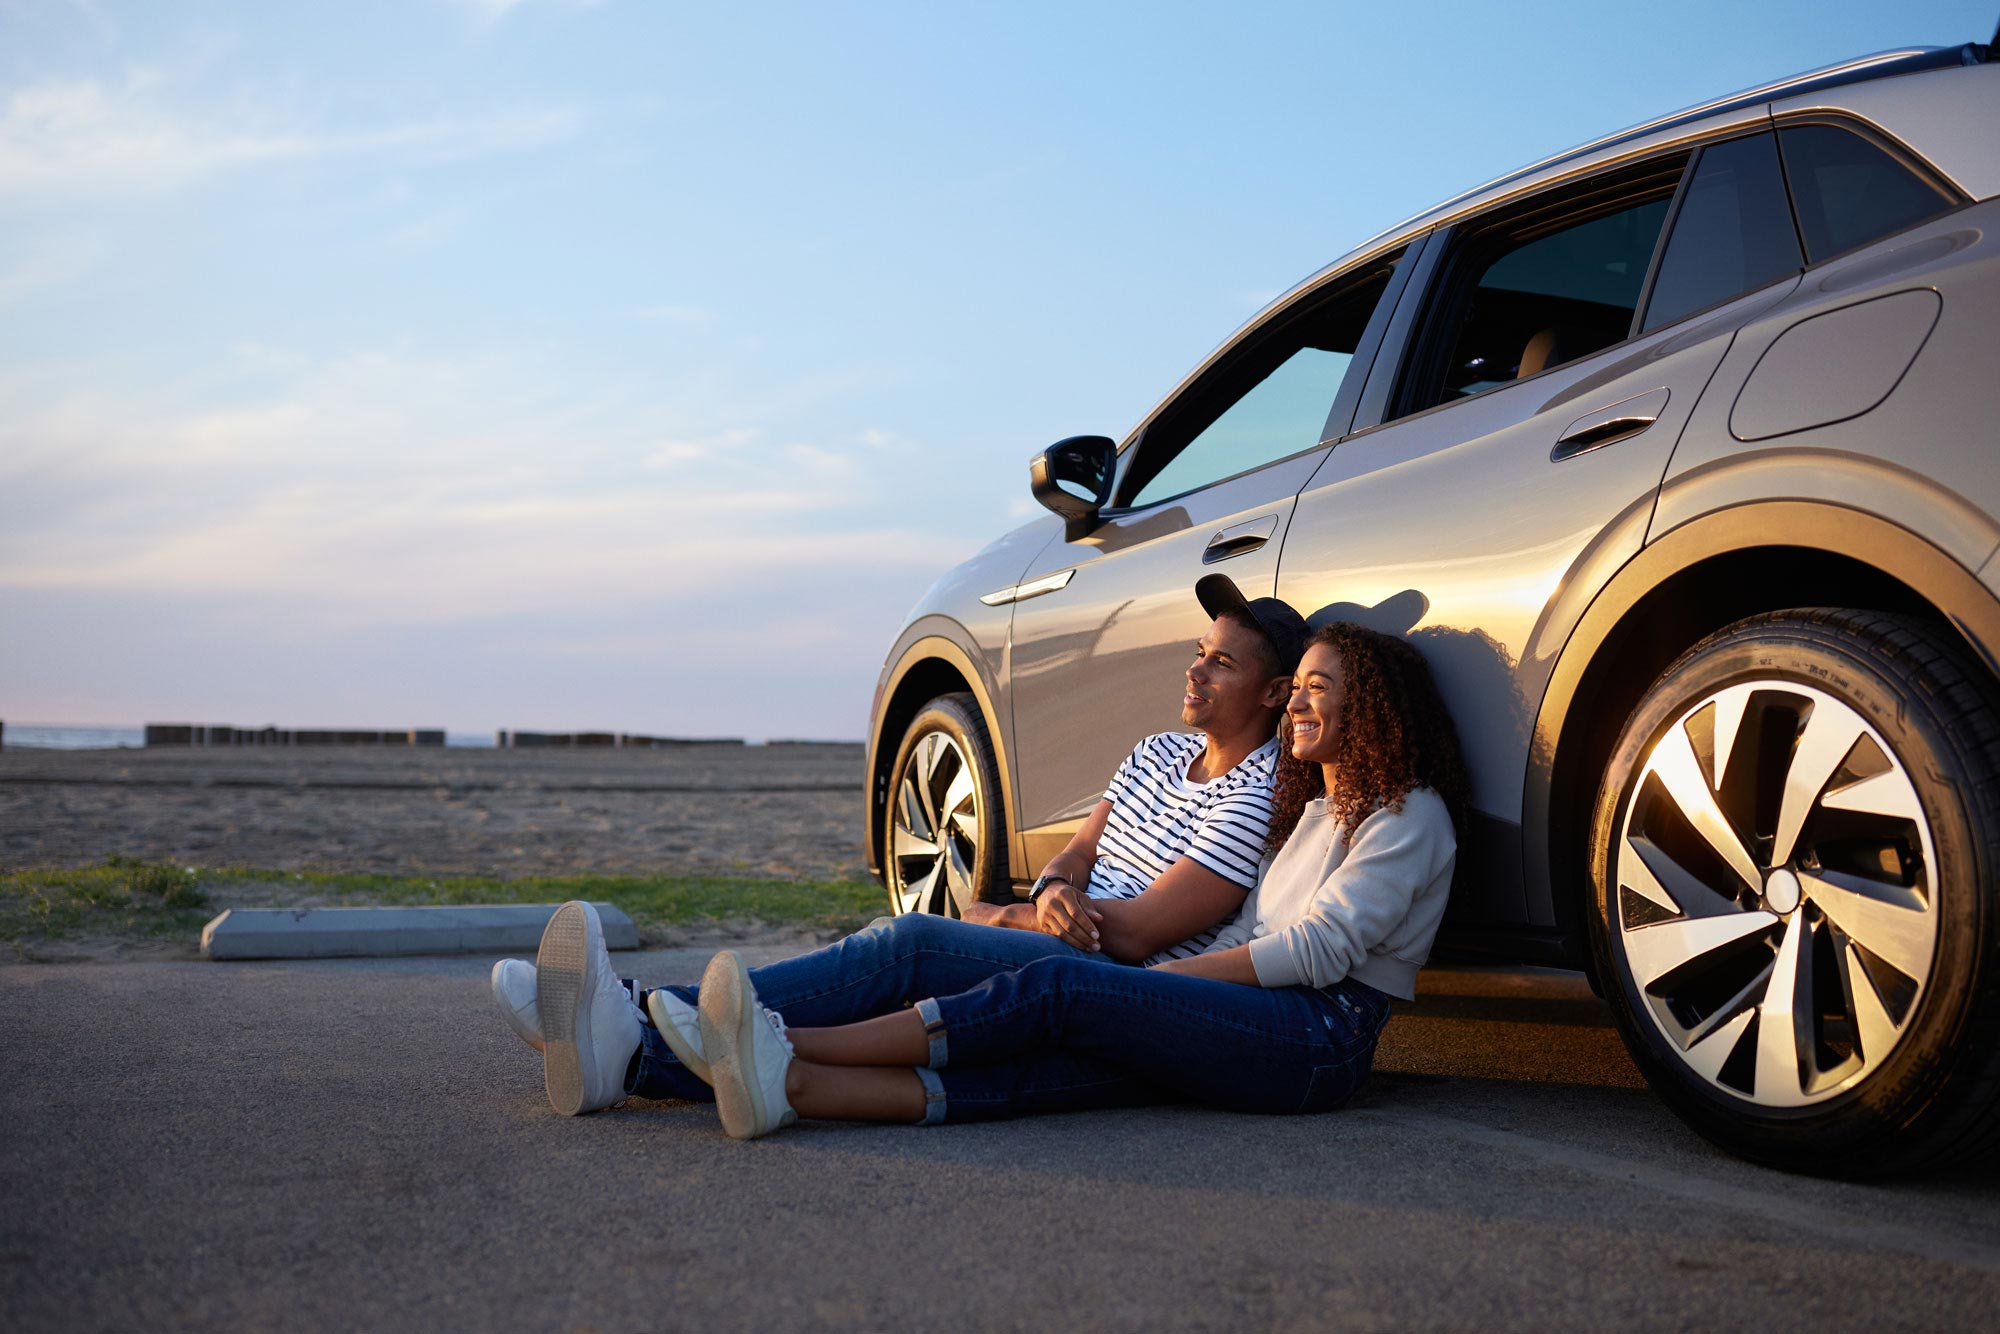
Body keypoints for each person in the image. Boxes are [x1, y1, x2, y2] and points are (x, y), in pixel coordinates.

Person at [499, 574, 1309, 1117]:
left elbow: (1136, 934)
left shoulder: (1258, 791)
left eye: (1223, 664)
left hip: (1115, 981)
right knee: (900, 964)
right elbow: (1078, 853)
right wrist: (1051, 892)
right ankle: (635, 1040)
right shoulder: (1154, 752)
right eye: (1199, 653)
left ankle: (633, 1019)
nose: (1196, 673)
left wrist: (1008, 917)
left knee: (910, 944)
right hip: (1066, 938)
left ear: (1274, 694)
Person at [691, 619, 1469, 1137]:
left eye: (1317, 687)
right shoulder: (1313, 811)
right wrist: (1162, 990)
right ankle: (789, 1088)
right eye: (1295, 685)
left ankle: (785, 1042)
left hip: (1320, 1037)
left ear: (1369, 707)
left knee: (1066, 988)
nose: (1297, 702)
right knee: (1069, 1063)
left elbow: (1318, 953)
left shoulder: (1410, 815)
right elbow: (1249, 931)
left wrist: (1164, 985)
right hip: (1266, 1013)